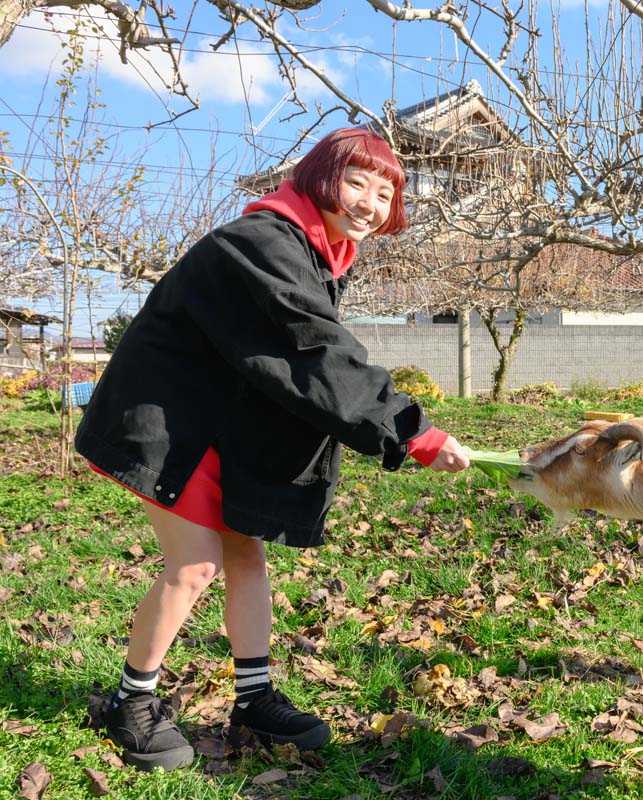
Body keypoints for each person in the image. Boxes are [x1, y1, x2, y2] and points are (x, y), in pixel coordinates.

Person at [75, 127, 471, 771]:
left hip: (212, 420)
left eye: (385, 191)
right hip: (169, 422)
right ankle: (130, 702)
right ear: (319, 179)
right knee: (195, 563)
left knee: (246, 551)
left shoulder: (313, 251)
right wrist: (410, 430)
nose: (370, 203)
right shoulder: (262, 243)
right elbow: (314, 352)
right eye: (356, 183)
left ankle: (253, 696)